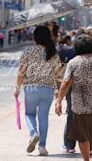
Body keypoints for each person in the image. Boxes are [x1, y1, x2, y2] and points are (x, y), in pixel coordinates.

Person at [55, 34, 92, 161]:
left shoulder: (73, 62)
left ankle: (86, 160)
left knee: (82, 135)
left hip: (80, 103)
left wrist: (59, 101)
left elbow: (66, 83)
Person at [14, 26, 61, 156]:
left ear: (34, 37)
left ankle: (33, 133)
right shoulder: (53, 52)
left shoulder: (28, 51)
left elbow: (21, 72)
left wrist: (17, 88)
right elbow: (58, 73)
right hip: (48, 88)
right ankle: (42, 147)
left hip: (31, 88)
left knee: (29, 114)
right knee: (43, 117)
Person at [56, 35, 77, 153]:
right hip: (88, 88)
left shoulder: (58, 51)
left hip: (69, 85)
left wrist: (58, 99)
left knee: (71, 114)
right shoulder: (74, 51)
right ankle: (89, 145)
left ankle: (69, 145)